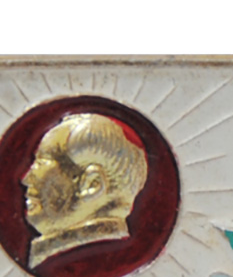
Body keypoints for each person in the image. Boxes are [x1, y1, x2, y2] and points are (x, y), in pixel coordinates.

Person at [22, 113, 148, 268]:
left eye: (40, 163)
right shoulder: (120, 260)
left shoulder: (76, 264)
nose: (26, 179)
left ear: (92, 185)